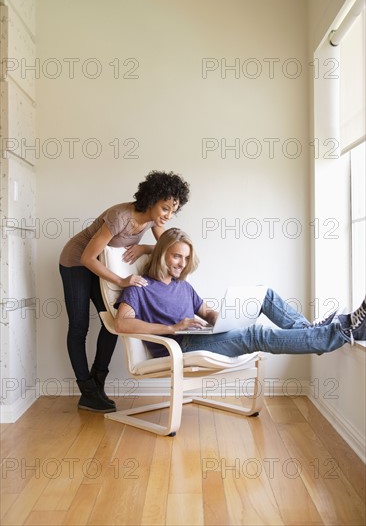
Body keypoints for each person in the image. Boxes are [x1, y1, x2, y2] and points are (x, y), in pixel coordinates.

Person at [114, 228, 366, 359]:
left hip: (198, 336)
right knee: (257, 334)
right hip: (179, 346)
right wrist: (172, 328)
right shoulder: (140, 286)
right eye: (176, 256)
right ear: (161, 254)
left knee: (263, 293)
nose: (181, 263)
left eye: (186, 257)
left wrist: (222, 318)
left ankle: (313, 335)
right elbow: (122, 323)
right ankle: (340, 331)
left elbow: (206, 312)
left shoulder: (184, 286)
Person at [59, 172, 190, 413]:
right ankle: (87, 391)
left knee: (112, 321)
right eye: (165, 208)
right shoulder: (120, 216)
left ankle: (98, 383)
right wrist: (121, 279)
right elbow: (87, 257)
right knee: (79, 327)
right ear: (151, 199)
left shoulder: (154, 219)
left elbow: (167, 250)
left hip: (100, 265)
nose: (168, 216)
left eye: (173, 211)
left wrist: (143, 247)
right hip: (76, 263)